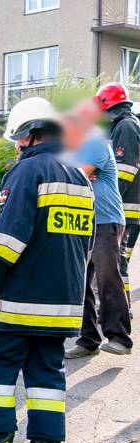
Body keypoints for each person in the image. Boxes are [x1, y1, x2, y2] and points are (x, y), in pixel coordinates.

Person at [0, 97, 94, 443]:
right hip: (63, 300)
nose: (17, 146)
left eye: (18, 139)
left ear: (31, 135)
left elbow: (8, 235)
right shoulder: (80, 177)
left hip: (18, 299)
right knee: (47, 371)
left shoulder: (27, 172)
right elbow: (87, 241)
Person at [62, 102, 132, 358]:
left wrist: (77, 172)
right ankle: (88, 339)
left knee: (107, 277)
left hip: (105, 220)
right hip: (84, 220)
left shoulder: (95, 142)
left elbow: (76, 175)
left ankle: (120, 338)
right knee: (81, 281)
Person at [96, 82, 140, 325]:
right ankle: (121, 309)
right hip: (126, 208)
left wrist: (109, 195)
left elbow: (125, 170)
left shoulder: (125, 126)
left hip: (125, 208)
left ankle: (121, 312)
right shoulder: (123, 125)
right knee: (119, 261)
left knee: (118, 261)